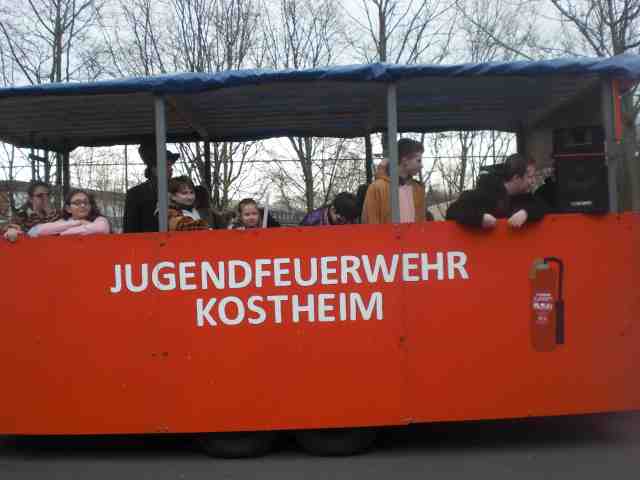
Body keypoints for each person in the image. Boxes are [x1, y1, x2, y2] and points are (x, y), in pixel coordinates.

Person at [446, 153, 547, 229]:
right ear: (516, 178)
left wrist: (526, 212)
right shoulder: (485, 192)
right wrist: (479, 218)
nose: (533, 181)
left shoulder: (526, 197)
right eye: (530, 177)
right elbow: (453, 211)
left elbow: (543, 207)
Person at [361, 138, 426, 224]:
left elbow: (421, 223)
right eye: (418, 160)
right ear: (405, 160)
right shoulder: (377, 188)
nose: (421, 165)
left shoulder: (418, 189)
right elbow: (371, 223)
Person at [123, 139, 179, 233]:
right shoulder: (136, 194)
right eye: (167, 165)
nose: (171, 169)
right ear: (154, 168)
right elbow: (130, 228)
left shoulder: (176, 190)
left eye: (171, 165)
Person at [28, 189, 110, 237]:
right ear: (68, 209)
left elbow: (101, 229)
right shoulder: (64, 222)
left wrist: (61, 233)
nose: (82, 205)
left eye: (86, 202)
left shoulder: (99, 220)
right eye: (77, 203)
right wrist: (78, 222)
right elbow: (33, 231)